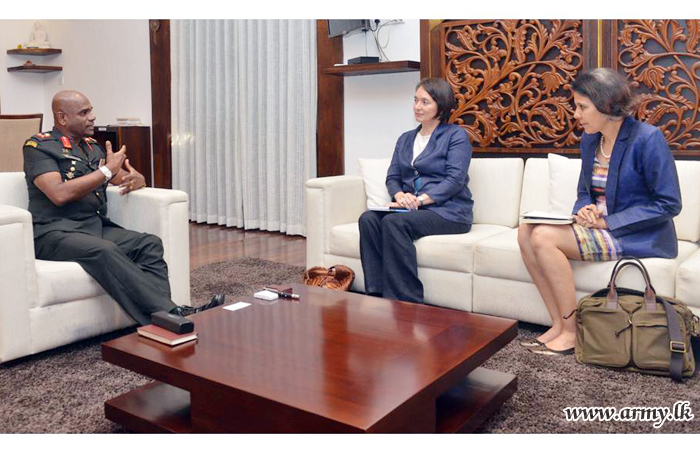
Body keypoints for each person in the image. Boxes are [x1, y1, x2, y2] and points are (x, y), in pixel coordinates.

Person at [517, 68, 682, 356]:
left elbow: (669, 203)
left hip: (636, 234)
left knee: (543, 237)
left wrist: (607, 222)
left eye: (582, 107)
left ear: (607, 105)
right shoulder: (590, 139)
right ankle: (558, 324)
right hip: (598, 226)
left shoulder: (647, 138)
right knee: (524, 232)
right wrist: (584, 209)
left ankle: (571, 333)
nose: (575, 114)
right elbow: (584, 192)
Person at [23, 90, 223, 325]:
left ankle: (164, 318)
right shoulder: (39, 147)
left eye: (91, 111)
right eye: (84, 113)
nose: (92, 117)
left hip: (92, 227)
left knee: (148, 244)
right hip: (53, 233)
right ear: (62, 118)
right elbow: (59, 193)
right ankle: (172, 314)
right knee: (105, 250)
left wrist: (138, 179)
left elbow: (121, 178)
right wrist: (107, 170)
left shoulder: (92, 147)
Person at [358, 78, 473, 303]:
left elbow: (454, 180)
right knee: (368, 219)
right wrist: (400, 195)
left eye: (425, 102)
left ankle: (406, 300)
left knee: (394, 222)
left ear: (441, 106)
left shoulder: (455, 136)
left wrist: (419, 201)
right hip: (413, 209)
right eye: (415, 100)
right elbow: (393, 177)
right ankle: (377, 294)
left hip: (449, 212)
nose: (417, 107)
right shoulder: (405, 139)